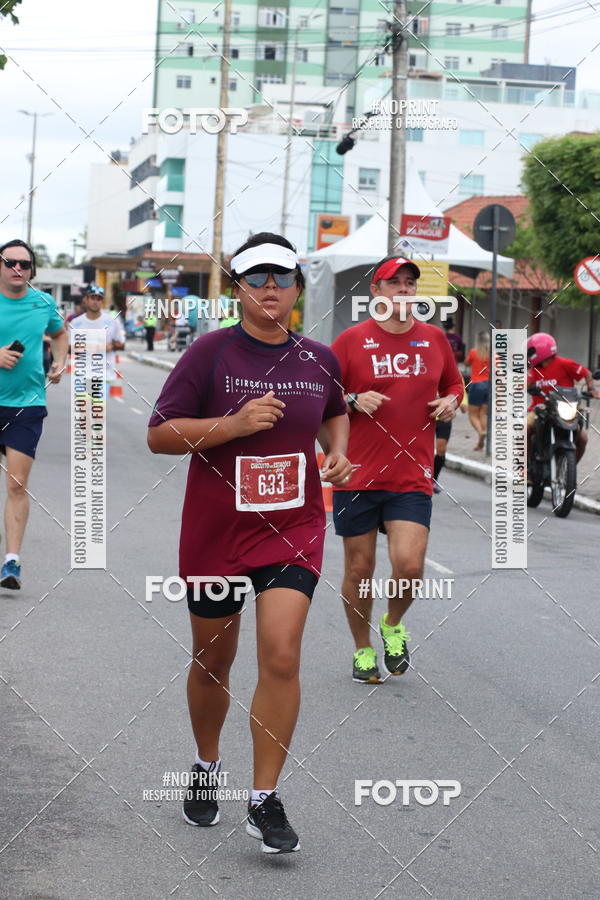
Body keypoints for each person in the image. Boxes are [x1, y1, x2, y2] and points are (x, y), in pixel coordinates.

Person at [147, 233, 351, 854]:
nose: (269, 288)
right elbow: (160, 435)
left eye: (281, 277)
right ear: (237, 288)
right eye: (256, 277)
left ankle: (264, 798)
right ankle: (207, 764)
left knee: (282, 655)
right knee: (214, 659)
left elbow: (334, 411)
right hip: (216, 535)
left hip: (293, 531)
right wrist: (231, 425)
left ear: (297, 289)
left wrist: (338, 453)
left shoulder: (318, 359)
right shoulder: (209, 354)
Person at [331, 256, 463, 684]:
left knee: (409, 566)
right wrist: (352, 400)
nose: (404, 290)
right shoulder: (351, 340)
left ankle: (391, 625)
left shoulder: (434, 338)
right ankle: (362, 648)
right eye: (395, 283)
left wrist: (451, 402)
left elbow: (454, 384)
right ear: (377, 291)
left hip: (412, 475)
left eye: (410, 283)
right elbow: (323, 395)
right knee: (359, 570)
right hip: (358, 474)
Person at [0, 239, 67, 590]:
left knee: (17, 484)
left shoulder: (43, 303)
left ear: (32, 270)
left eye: (24, 264)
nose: (17, 269)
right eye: (10, 262)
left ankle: (11, 562)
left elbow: (59, 333)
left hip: (26, 404)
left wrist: (60, 361)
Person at [527, 332, 599, 462]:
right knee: (523, 430)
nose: (529, 354)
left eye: (531, 351)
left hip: (565, 408)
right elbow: (525, 383)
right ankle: (525, 467)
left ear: (540, 350)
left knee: (583, 439)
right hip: (540, 409)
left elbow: (586, 373)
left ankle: (570, 470)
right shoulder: (535, 370)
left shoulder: (564, 363)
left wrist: (592, 389)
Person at [69, 285, 125, 393]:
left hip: (104, 374)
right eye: (93, 298)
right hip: (82, 374)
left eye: (99, 299)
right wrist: (89, 347)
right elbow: (68, 347)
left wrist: (111, 346)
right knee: (84, 404)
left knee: (98, 403)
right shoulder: (76, 323)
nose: (95, 302)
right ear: (86, 300)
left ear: (102, 301)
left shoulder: (112, 322)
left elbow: (121, 344)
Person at [464, 331, 490, 450]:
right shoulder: (493, 354)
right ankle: (480, 443)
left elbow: (466, 363)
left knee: (473, 415)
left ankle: (481, 432)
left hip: (476, 385)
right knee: (483, 414)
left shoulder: (474, 352)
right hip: (489, 385)